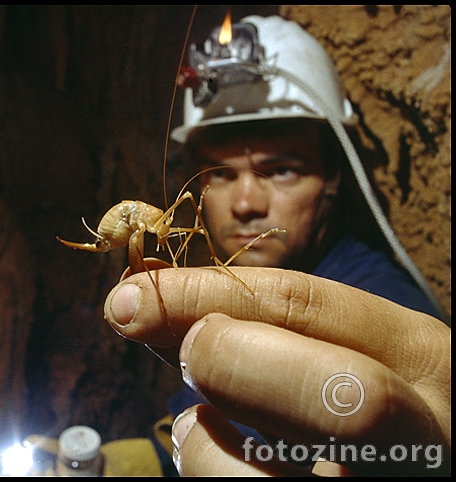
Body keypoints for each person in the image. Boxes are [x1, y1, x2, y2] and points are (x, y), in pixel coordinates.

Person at [103, 15, 450, 476]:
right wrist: (133, 461)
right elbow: (199, 411)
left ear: (332, 179)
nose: (245, 204)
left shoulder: (386, 299)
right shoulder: (221, 277)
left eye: (282, 169)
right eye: (222, 174)